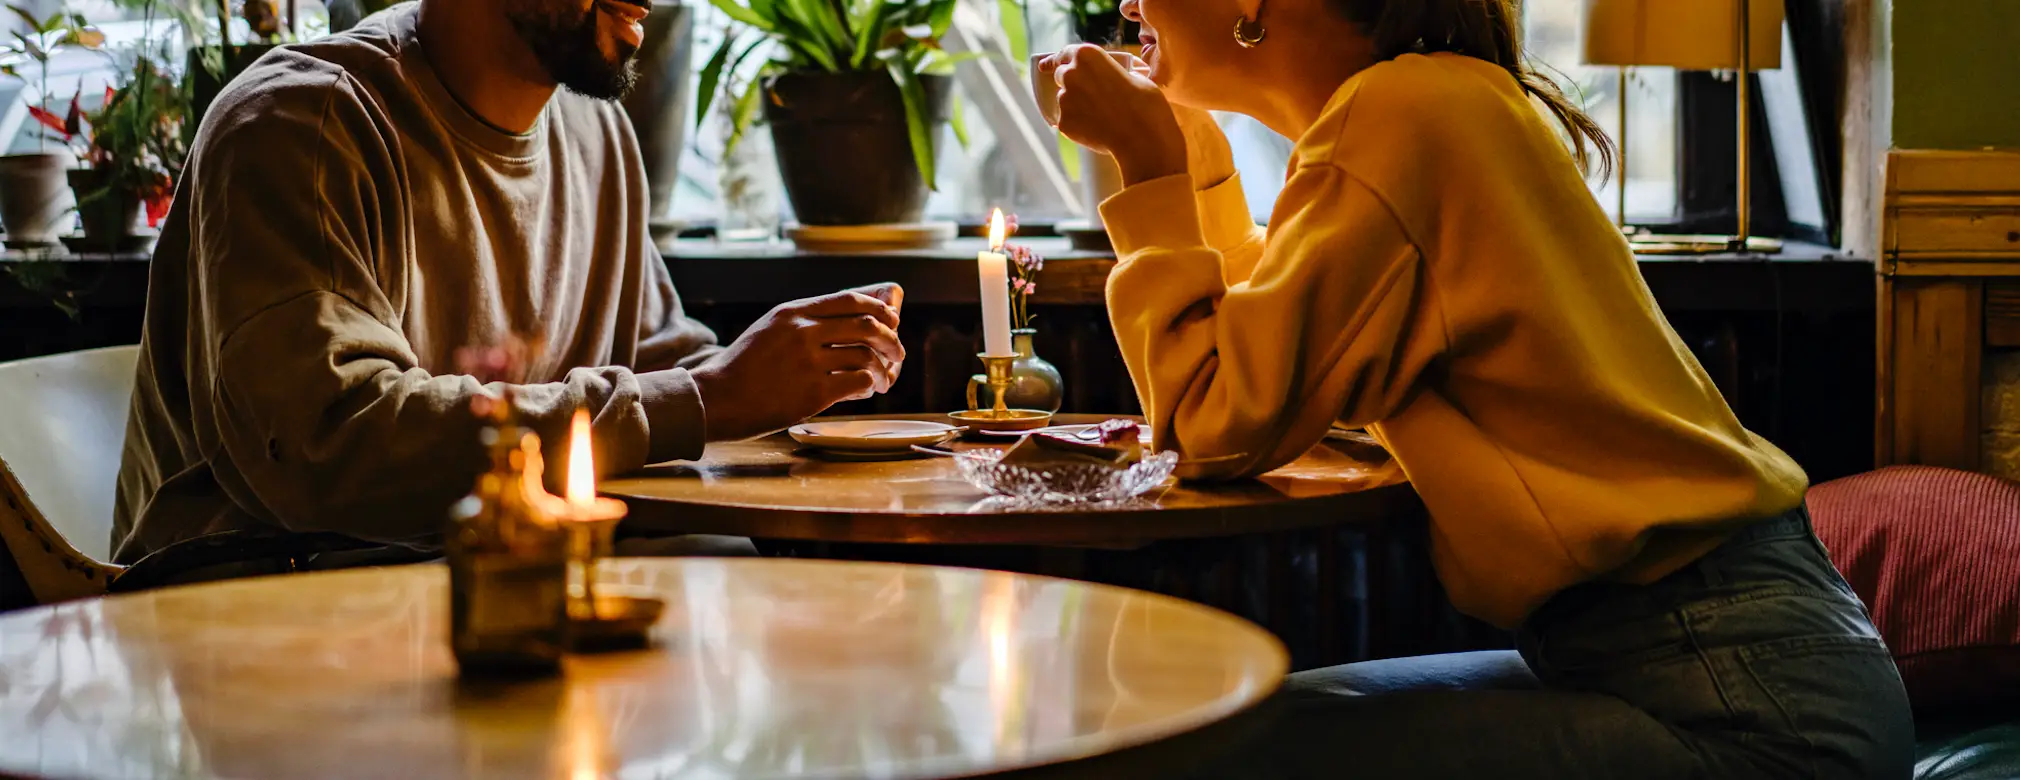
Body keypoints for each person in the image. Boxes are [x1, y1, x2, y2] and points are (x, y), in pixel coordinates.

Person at [1038, 0, 1913, 776]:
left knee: (1203, 747)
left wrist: (1150, 169)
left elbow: (1209, 426)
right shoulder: (1435, 100)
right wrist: (1201, 171)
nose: (1127, 3)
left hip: (1744, 706)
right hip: (1734, 662)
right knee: (1238, 723)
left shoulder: (1401, 114)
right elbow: (1280, 362)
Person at [113, 0, 906, 566]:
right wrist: (714, 399)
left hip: (492, 571)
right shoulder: (300, 124)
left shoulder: (597, 134)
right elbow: (330, 446)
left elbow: (663, 372)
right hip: (258, 604)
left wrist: (788, 384)